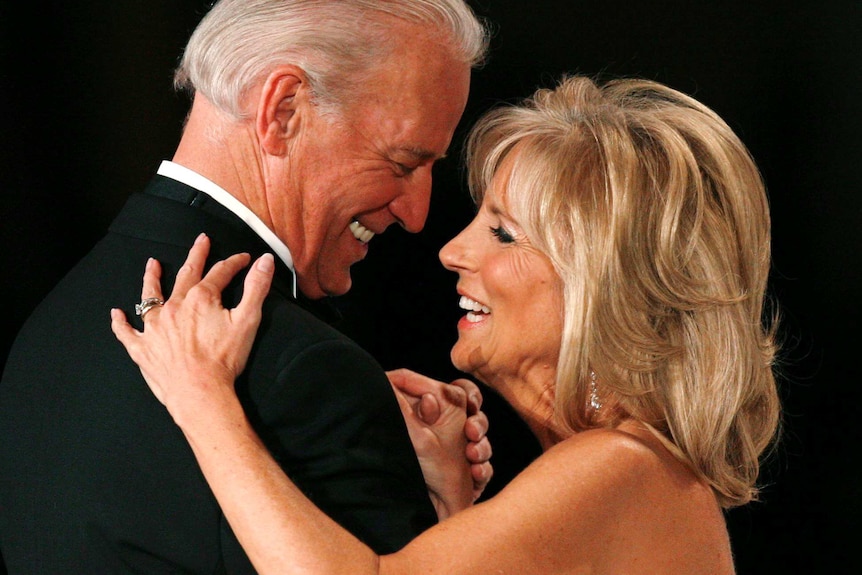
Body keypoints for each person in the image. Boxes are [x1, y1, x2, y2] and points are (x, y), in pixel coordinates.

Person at [113, 74, 782, 574]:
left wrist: (204, 401)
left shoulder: (625, 468)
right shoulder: (629, 470)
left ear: (603, 282)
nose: (452, 250)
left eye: (503, 232)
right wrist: (457, 506)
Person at [0, 1, 492, 572]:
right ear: (283, 111)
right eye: (404, 162)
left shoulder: (53, 324)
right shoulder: (305, 375)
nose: (417, 214)